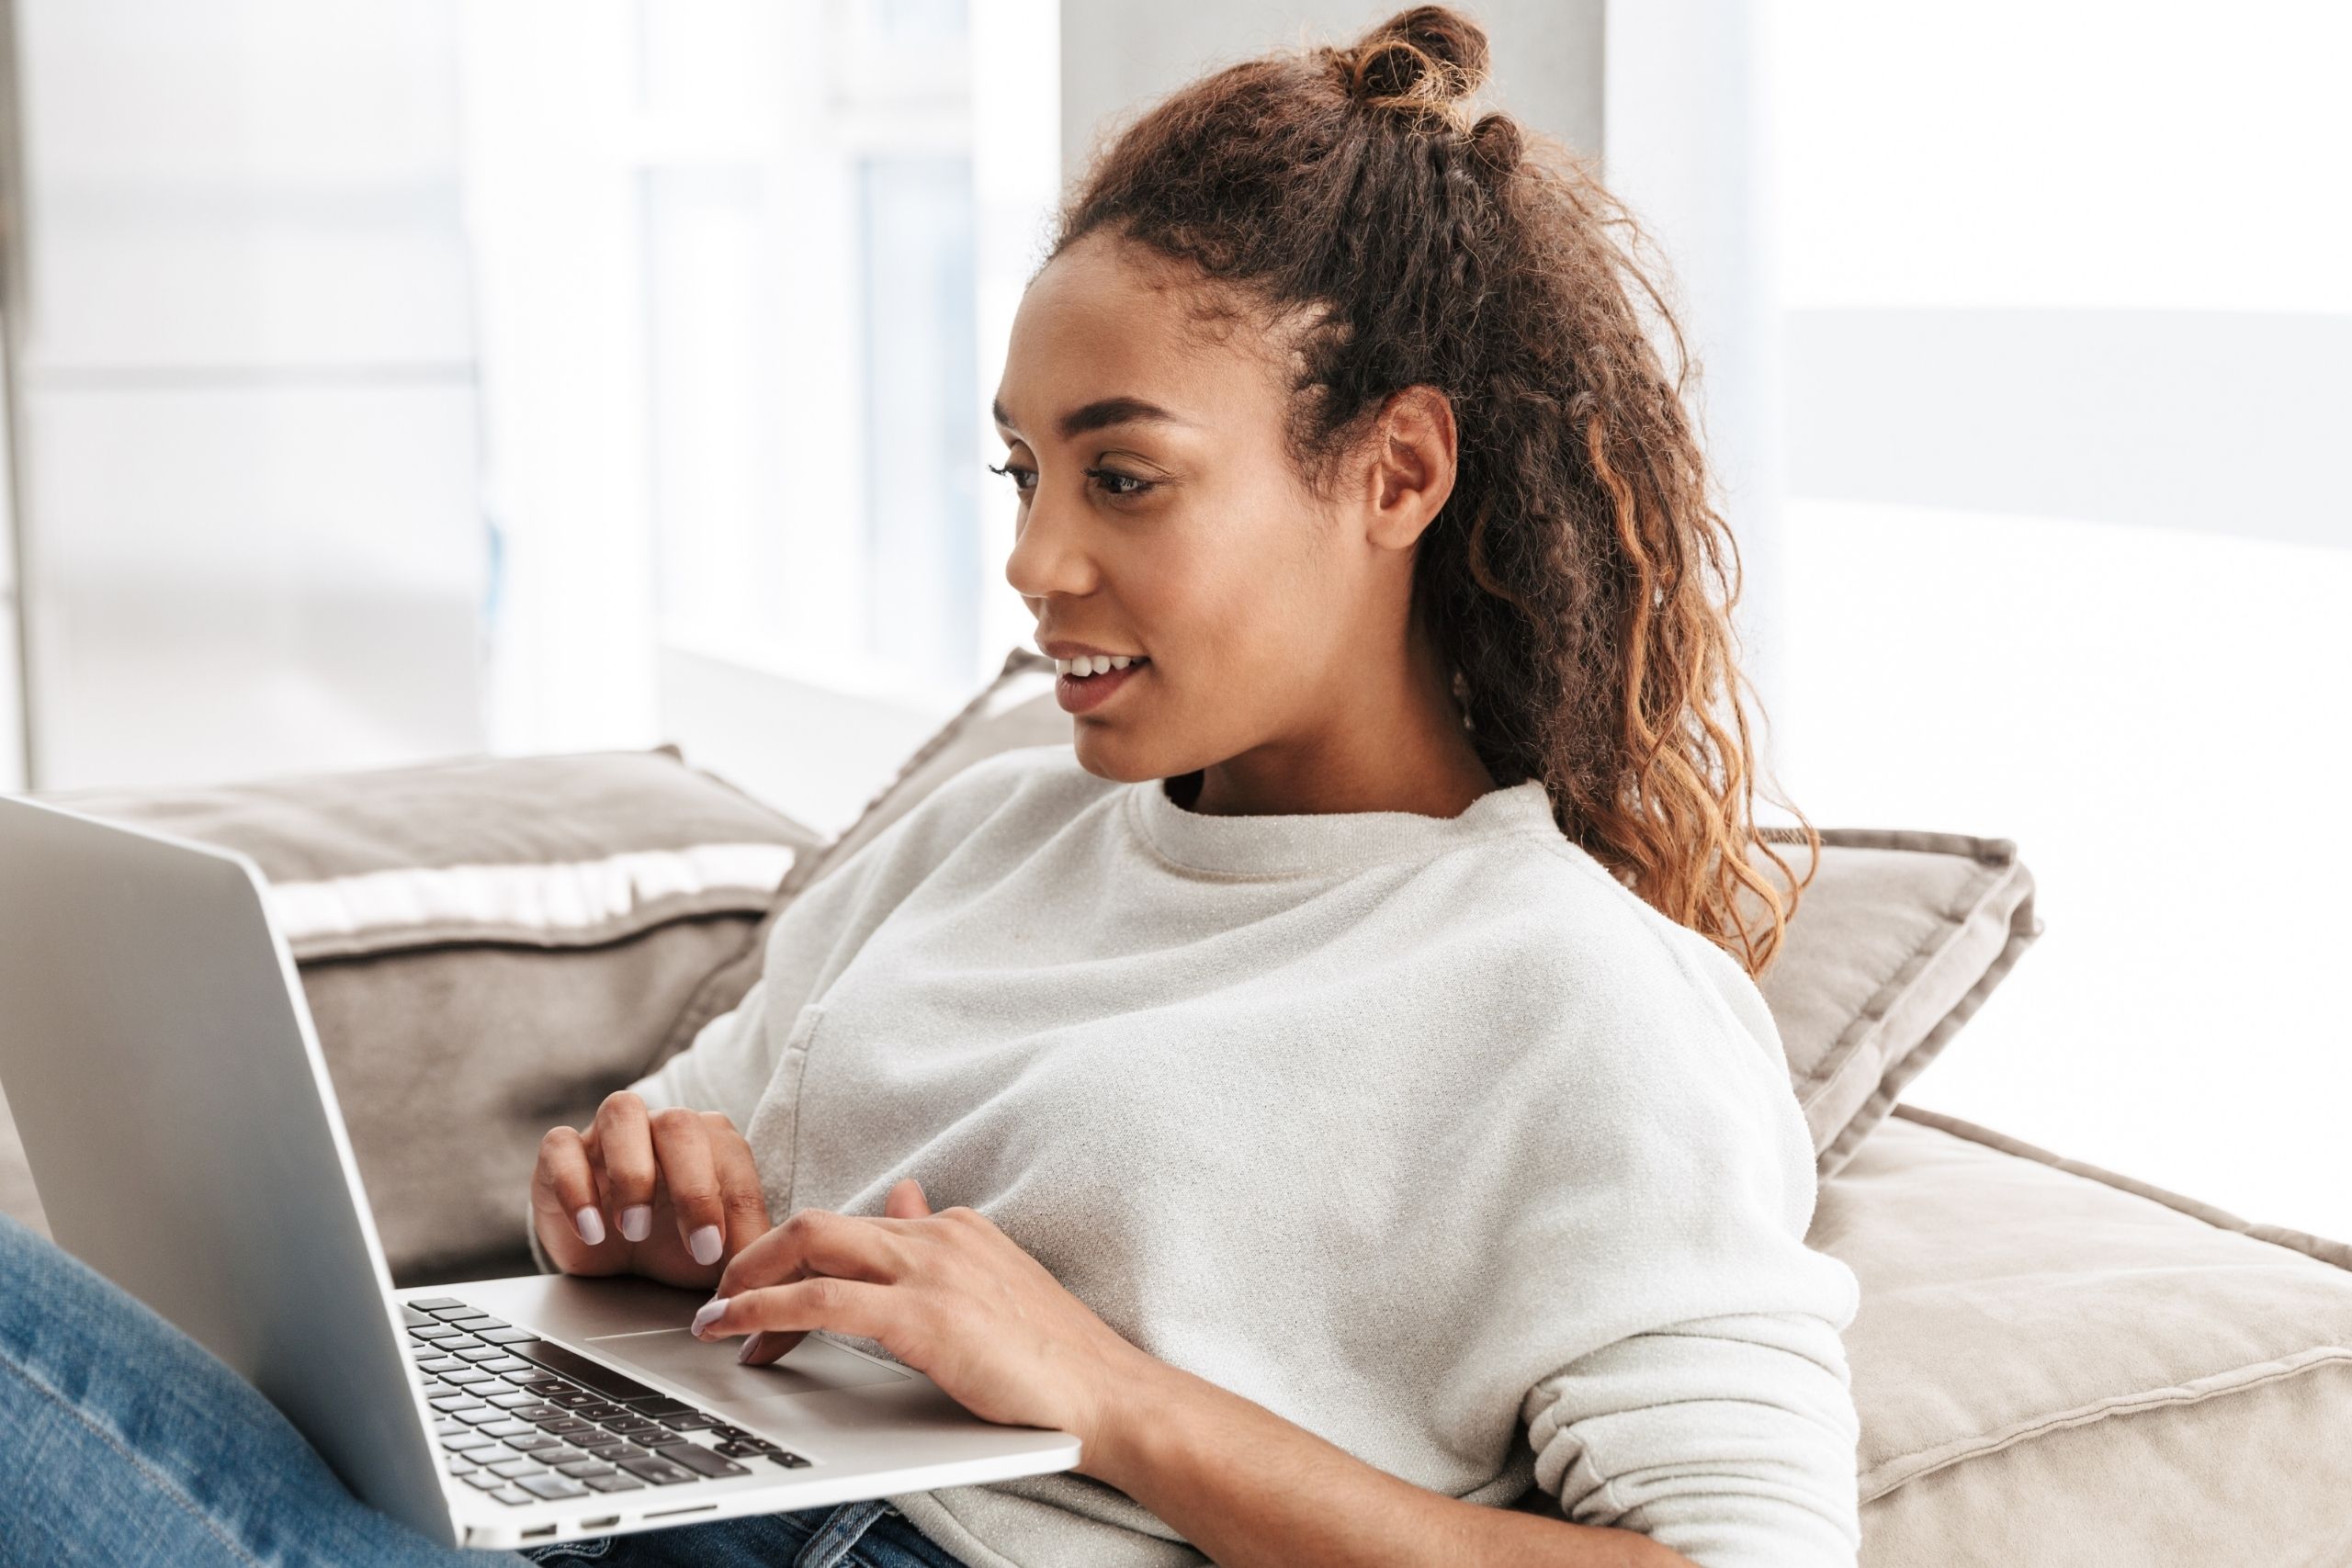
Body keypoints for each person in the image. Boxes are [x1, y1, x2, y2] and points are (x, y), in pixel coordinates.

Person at [0, 7, 1861, 1566]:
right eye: (1019, 476)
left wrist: (1113, 1394)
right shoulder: (990, 829)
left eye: (1120, 478)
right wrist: (647, 1209)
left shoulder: (1573, 994)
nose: (1036, 561)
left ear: (1391, 473)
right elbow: (702, 1153)